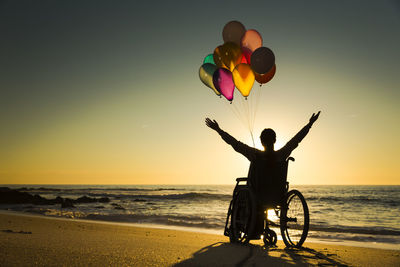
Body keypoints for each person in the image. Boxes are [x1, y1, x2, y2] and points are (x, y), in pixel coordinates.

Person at [205, 111, 320, 203]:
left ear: (261, 141)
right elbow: (296, 139)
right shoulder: (282, 154)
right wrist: (309, 124)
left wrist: (218, 130)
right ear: (275, 140)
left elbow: (234, 143)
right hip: (277, 195)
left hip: (257, 196)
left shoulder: (254, 155)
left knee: (240, 190)